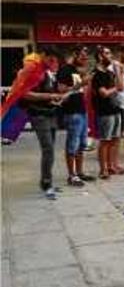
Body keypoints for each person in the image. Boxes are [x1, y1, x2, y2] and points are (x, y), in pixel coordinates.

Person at [20, 46, 65, 198]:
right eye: (51, 59)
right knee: (48, 150)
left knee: (50, 150)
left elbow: (49, 94)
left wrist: (55, 98)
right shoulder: (33, 70)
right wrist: (49, 96)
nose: (53, 63)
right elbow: (25, 94)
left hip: (50, 114)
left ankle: (48, 182)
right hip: (39, 116)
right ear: (43, 55)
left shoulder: (46, 72)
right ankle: (46, 184)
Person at [57, 46, 95, 186]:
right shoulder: (65, 70)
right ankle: (71, 175)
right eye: (82, 57)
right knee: (72, 144)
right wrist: (80, 84)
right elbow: (61, 90)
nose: (84, 60)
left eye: (86, 58)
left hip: (82, 110)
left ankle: (79, 172)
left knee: (81, 144)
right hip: (72, 112)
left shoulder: (79, 71)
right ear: (74, 54)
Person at [92, 45, 124, 179]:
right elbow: (103, 93)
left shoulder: (110, 73)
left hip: (115, 109)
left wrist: (117, 70)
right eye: (107, 53)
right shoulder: (97, 74)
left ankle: (112, 165)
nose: (110, 56)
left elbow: (121, 86)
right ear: (100, 56)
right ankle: (103, 169)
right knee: (105, 140)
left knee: (115, 139)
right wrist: (115, 88)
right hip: (104, 111)